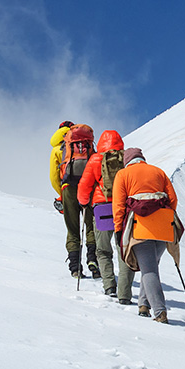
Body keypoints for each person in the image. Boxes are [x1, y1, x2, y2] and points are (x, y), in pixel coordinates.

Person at [112, 148, 177, 322]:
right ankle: (143, 304)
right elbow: (173, 199)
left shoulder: (123, 174)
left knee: (148, 269)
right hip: (163, 227)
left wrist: (118, 230)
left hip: (140, 227)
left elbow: (118, 205)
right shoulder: (158, 171)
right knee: (152, 265)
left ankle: (159, 311)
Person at [77, 129, 131, 301]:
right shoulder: (125, 158)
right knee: (123, 249)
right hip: (122, 208)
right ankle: (124, 292)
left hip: (102, 208)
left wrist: (84, 202)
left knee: (102, 250)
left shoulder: (95, 159)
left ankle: (109, 287)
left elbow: (84, 186)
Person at [50, 121, 97, 278]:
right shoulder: (86, 144)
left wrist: (62, 193)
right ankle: (93, 260)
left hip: (68, 187)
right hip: (88, 186)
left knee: (72, 227)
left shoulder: (58, 148)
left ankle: (75, 267)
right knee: (90, 224)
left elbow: (53, 177)